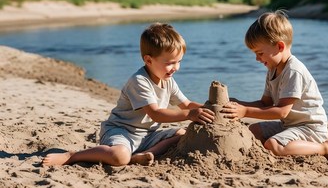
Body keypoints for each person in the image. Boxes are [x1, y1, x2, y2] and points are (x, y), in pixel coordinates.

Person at [42, 22, 215, 167]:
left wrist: (211, 108)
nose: (176, 68)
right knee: (120, 157)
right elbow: (156, 113)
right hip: (122, 131)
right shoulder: (139, 81)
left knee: (183, 134)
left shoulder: (168, 80)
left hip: (148, 135)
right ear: (148, 60)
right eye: (170, 63)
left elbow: (186, 104)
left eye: (179, 62)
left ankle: (145, 154)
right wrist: (189, 115)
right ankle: (72, 156)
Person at [221, 10, 328, 164]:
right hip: (289, 125)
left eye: (260, 53)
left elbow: (282, 111)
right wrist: (240, 104)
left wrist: (245, 111)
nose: (257, 58)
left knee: (273, 146)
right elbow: (265, 104)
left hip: (310, 127)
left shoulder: (293, 71)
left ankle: (325, 148)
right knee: (252, 131)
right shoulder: (272, 69)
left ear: (280, 46)